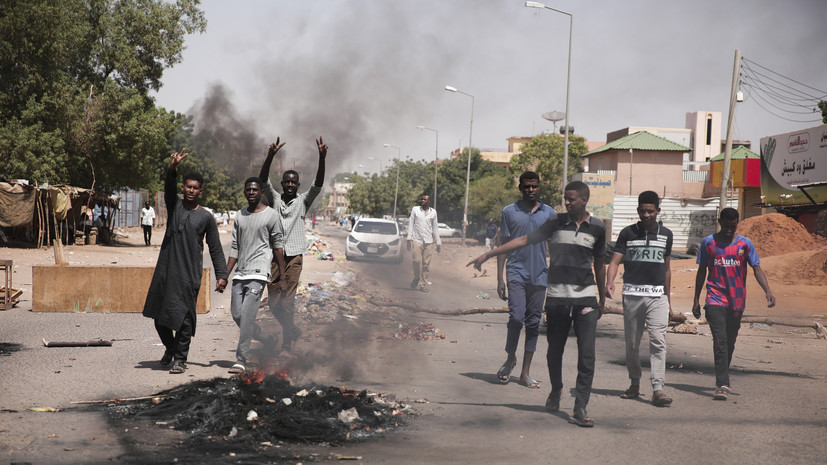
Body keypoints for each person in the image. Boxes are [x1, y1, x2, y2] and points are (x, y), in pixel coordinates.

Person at [468, 181, 606, 427]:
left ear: (584, 200)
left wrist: (602, 297)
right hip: (557, 298)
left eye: (571, 199)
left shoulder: (597, 227)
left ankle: (580, 405)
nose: (567, 202)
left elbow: (599, 263)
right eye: (565, 198)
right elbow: (523, 240)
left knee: (587, 355)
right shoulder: (555, 222)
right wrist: (489, 254)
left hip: (585, 299)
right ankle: (556, 390)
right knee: (555, 350)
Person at [142, 149, 228, 374]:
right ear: (183, 188)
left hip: (189, 275)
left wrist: (222, 275)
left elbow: (216, 248)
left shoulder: (206, 218)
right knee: (159, 317)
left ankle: (180, 360)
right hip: (166, 270)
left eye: (195, 187)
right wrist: (173, 167)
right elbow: (168, 185)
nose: (191, 190)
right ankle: (170, 348)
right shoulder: (175, 205)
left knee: (184, 320)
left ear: (201, 191)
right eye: (188, 186)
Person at [692, 207, 775, 401]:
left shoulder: (745, 244)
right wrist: (696, 299)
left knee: (729, 342)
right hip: (715, 299)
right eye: (726, 225)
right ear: (720, 222)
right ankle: (723, 383)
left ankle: (723, 375)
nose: (730, 229)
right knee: (720, 341)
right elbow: (701, 271)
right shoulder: (708, 243)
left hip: (737, 301)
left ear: (737, 223)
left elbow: (756, 268)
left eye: (733, 225)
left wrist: (768, 291)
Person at [605, 191, 675, 407]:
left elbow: (667, 269)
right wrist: (610, 282)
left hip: (657, 297)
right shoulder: (627, 234)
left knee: (658, 341)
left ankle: (658, 388)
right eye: (643, 211)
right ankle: (634, 383)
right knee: (632, 343)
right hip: (633, 296)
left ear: (657, 211)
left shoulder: (666, 234)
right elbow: (615, 262)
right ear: (638, 211)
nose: (646, 215)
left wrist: (668, 299)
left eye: (650, 211)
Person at [259, 136, 327, 354]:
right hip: (274, 256)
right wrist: (270, 155)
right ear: (282, 184)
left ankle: (287, 341)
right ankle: (292, 328)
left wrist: (322, 157)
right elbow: (262, 180)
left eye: (293, 182)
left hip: (295, 257)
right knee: (273, 304)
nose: (289, 185)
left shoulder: (304, 201)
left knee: (288, 303)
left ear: (298, 185)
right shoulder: (275, 200)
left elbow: (318, 184)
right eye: (286, 181)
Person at [495, 171, 553, 388]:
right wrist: (500, 278)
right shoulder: (509, 212)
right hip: (516, 273)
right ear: (520, 188)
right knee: (517, 318)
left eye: (534, 186)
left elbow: (554, 247)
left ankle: (525, 373)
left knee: (533, 323)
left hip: (539, 275)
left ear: (539, 187)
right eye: (527, 186)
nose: (531, 190)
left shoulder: (549, 213)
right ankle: (510, 358)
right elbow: (503, 246)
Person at [226, 177, 287, 374]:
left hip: (259, 272)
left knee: (248, 316)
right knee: (237, 315)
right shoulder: (240, 216)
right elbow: (235, 247)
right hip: (240, 272)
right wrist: (224, 275)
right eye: (248, 190)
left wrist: (283, 276)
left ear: (262, 192)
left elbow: (278, 247)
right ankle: (268, 339)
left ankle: (241, 358)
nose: (251, 192)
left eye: (255, 190)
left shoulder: (271, 216)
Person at [407, 194, 441, 292]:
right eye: (422, 199)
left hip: (429, 242)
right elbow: (411, 224)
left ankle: (423, 284)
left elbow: (435, 228)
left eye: (425, 199)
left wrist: (438, 242)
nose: (422, 200)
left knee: (426, 264)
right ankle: (416, 277)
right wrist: (409, 239)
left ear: (429, 201)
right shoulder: (415, 210)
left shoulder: (433, 212)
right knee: (416, 261)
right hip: (417, 240)